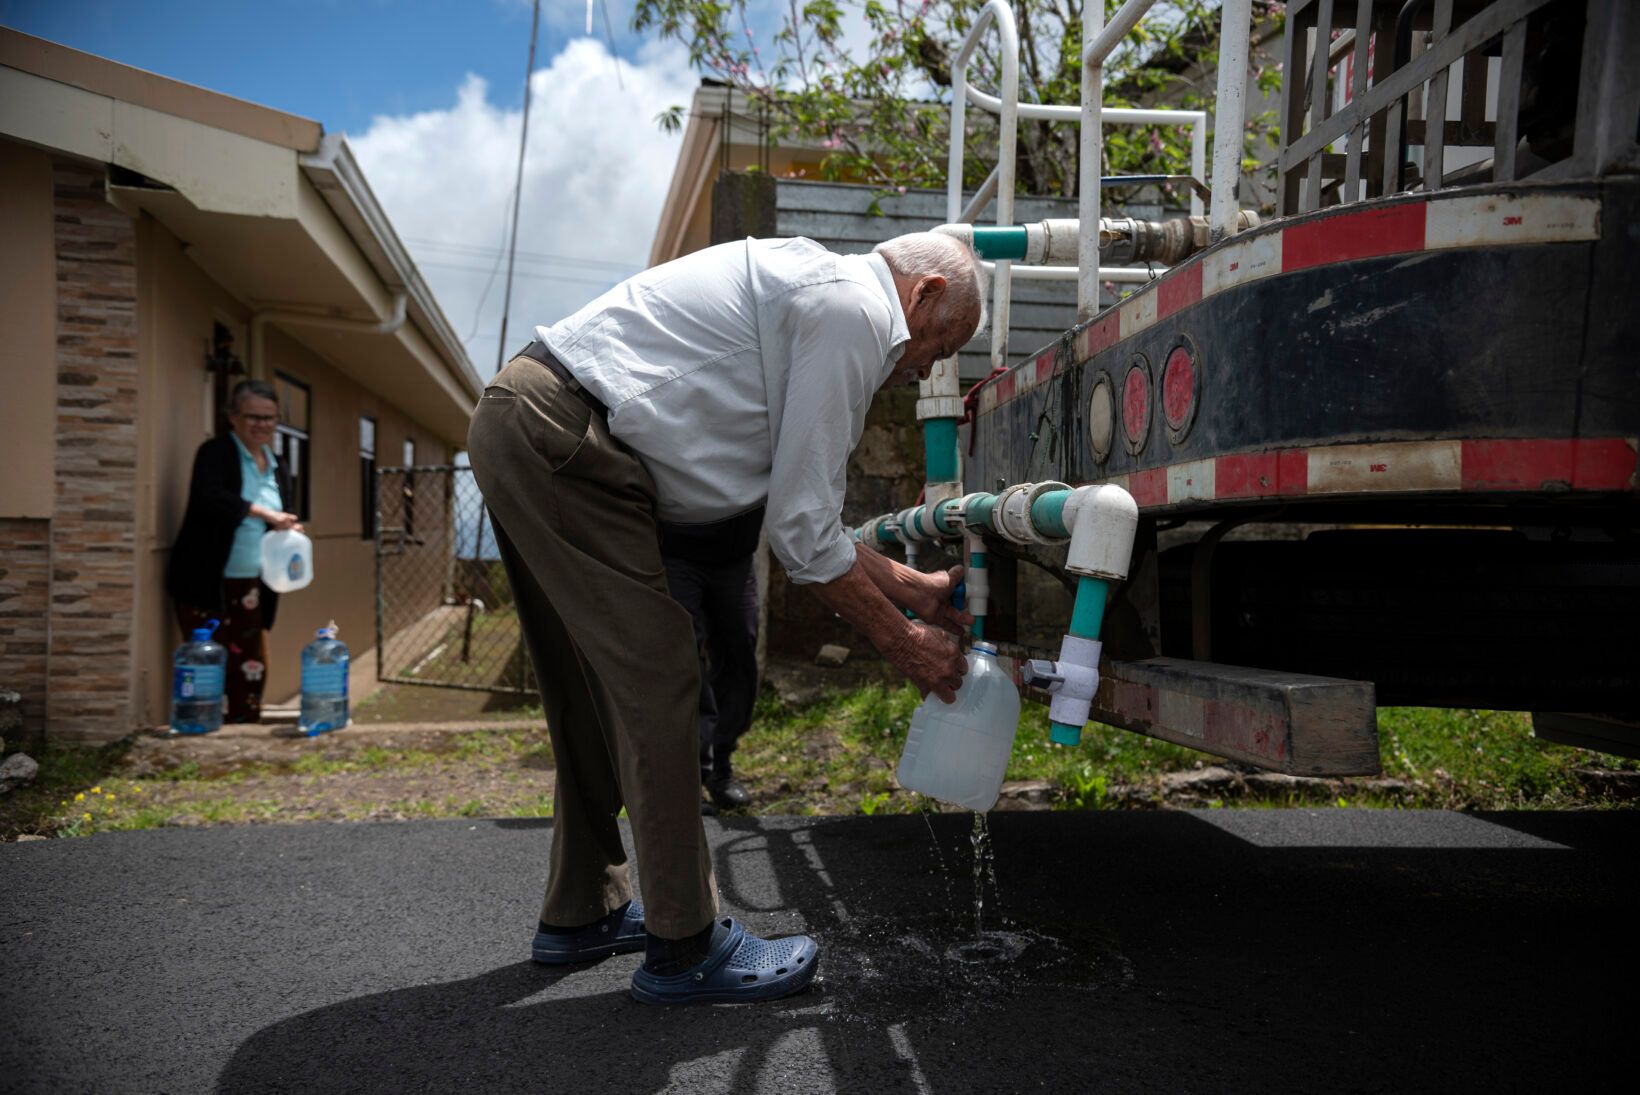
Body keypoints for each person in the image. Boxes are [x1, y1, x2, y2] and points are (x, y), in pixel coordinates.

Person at [466, 232, 981, 1006]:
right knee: (664, 675)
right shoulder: (856, 313)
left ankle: (582, 911)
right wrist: (909, 645)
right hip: (569, 440)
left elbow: (812, 522)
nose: (931, 369)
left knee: (592, 690)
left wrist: (915, 586)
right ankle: (686, 943)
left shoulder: (825, 291)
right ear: (926, 292)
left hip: (531, 420)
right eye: (945, 343)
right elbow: (804, 536)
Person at [166, 380, 303, 724]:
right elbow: (209, 497)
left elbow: (279, 510)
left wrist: (285, 526)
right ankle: (202, 727)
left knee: (250, 662)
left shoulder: (277, 463)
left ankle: (244, 727)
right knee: (207, 661)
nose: (262, 425)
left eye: (270, 418)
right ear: (233, 417)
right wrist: (263, 513)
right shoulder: (216, 453)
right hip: (207, 579)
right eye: (253, 417)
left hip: (254, 583)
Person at [659, 507, 765, 813]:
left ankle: (720, 766)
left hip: (736, 553)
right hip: (674, 551)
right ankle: (686, 779)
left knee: (739, 655)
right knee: (683, 662)